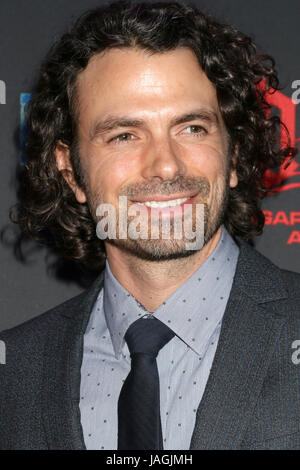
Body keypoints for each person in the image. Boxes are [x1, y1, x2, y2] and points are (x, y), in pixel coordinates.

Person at [0, 0, 299, 451]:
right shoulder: (13, 371)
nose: (164, 165)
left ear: (233, 154)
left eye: (192, 128)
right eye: (124, 135)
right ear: (69, 171)